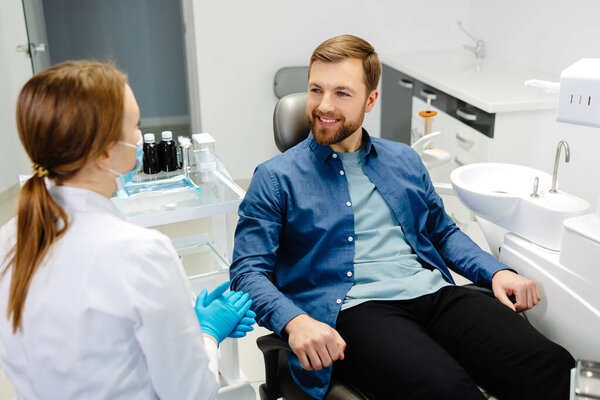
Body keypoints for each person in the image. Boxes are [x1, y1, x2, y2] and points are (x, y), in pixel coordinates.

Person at [230, 35, 575, 400]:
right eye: (316, 90)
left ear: (371, 100)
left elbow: (442, 233)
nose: (324, 106)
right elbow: (247, 272)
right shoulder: (275, 177)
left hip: (433, 293)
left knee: (552, 367)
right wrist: (295, 321)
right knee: (448, 391)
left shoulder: (403, 160)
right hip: (356, 311)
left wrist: (496, 271)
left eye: (342, 93)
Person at [0, 60, 254, 399]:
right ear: (105, 153)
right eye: (135, 126)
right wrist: (205, 334)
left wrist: (180, 325)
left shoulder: (11, 237)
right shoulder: (141, 252)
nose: (139, 138)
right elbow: (192, 393)